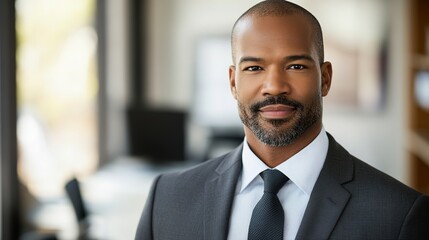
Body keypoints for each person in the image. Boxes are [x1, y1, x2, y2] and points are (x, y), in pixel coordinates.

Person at [135, 1, 429, 239]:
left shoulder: (399, 215)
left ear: (325, 79)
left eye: (296, 65)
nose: (274, 86)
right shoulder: (168, 198)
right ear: (233, 82)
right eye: (253, 68)